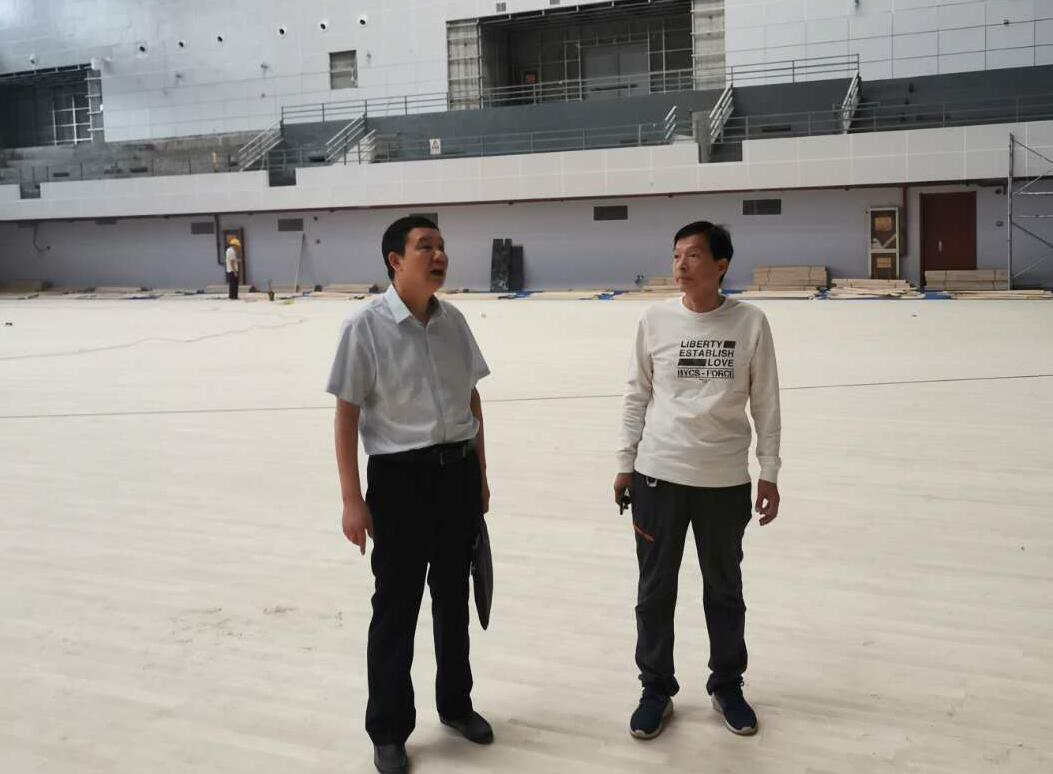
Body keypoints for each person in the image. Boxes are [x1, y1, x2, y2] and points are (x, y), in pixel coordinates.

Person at [327, 216, 493, 774]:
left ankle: (456, 705)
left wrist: (481, 475)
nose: (439, 255)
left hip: (457, 477)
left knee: (453, 600)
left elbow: (472, 400)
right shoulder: (365, 326)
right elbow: (346, 415)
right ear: (395, 260)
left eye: (442, 246)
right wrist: (352, 499)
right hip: (399, 484)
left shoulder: (454, 322)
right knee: (396, 609)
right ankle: (389, 730)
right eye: (426, 247)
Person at [613, 221, 782, 740]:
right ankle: (655, 689)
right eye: (676, 255)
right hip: (658, 476)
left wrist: (769, 471)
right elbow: (636, 395)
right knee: (654, 591)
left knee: (725, 590)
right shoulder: (654, 320)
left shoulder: (750, 322)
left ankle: (727, 685)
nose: (681, 265)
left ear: (720, 265)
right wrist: (624, 463)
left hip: (724, 481)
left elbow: (766, 403)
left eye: (692, 256)